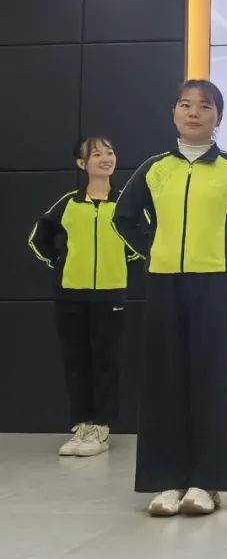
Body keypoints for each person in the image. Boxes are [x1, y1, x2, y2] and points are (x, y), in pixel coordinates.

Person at [112, 79, 227, 517]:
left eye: (204, 106)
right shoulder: (155, 169)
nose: (193, 113)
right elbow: (124, 217)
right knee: (164, 380)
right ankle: (167, 480)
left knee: (213, 380)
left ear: (217, 117)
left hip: (215, 285)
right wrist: (154, 249)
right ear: (173, 113)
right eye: (185, 105)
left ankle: (208, 482)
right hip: (163, 284)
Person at [29, 136, 139, 457]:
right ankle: (81, 425)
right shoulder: (68, 204)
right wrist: (62, 263)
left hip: (110, 294)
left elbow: (143, 240)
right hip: (70, 295)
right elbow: (38, 238)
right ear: (82, 164)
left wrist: (119, 262)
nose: (106, 158)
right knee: (76, 360)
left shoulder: (126, 203)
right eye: (96, 154)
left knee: (106, 360)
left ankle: (101, 428)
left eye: (110, 152)